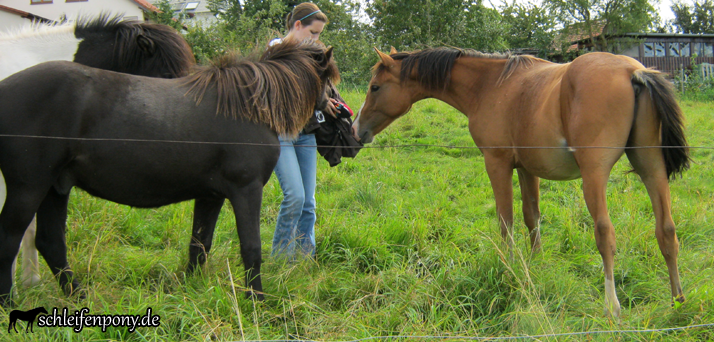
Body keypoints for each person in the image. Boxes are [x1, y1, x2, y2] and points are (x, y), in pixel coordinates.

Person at [270, 2, 348, 260]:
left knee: (308, 203)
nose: (316, 39)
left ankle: (304, 259)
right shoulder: (275, 51)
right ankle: (281, 260)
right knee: (294, 196)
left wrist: (327, 101)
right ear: (297, 25)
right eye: (313, 33)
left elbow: (319, 90)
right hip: (281, 133)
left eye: (319, 35)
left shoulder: (312, 54)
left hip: (306, 133)